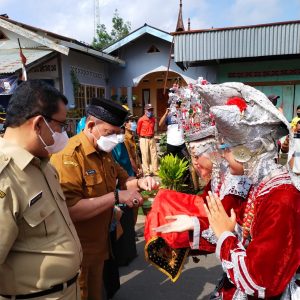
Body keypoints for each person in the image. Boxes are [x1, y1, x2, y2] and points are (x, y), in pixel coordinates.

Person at [155, 82, 300, 299]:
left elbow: (258, 279)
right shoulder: (262, 187)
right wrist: (196, 226)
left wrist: (224, 235)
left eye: (226, 149)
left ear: (247, 150)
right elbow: (242, 236)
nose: (222, 156)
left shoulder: (281, 198)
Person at [50, 98, 158, 300]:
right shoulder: (70, 155)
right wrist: (116, 196)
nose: (117, 138)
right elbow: (71, 209)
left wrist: (142, 183)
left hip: (101, 244)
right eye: (112, 133)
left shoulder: (104, 152)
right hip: (79, 250)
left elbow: (125, 180)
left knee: (96, 294)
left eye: (119, 133)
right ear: (91, 126)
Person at [0, 80, 82, 300]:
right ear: (38, 124)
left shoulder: (43, 165)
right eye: (60, 126)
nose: (63, 134)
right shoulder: (5, 177)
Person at [137, 103, 158, 176]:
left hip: (152, 138)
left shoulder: (153, 119)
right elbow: (138, 131)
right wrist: (141, 138)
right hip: (144, 139)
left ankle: (155, 170)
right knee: (145, 155)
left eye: (151, 110)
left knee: (154, 154)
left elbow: (153, 129)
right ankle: (146, 172)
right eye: (149, 110)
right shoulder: (141, 120)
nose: (150, 111)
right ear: (145, 110)